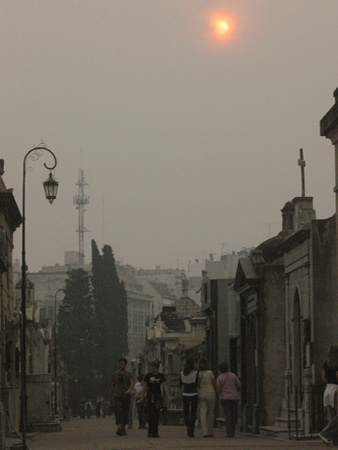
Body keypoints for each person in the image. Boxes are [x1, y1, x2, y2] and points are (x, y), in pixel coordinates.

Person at [140, 361, 171, 438]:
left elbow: (164, 386)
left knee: (156, 414)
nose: (150, 368)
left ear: (156, 367)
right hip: (150, 396)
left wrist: (168, 395)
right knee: (150, 414)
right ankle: (150, 432)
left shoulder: (161, 376)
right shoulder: (148, 375)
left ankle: (155, 432)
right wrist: (142, 396)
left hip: (157, 397)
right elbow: (145, 386)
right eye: (150, 366)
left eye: (152, 366)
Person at [318, 344, 338, 446]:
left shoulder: (326, 363)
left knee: (332, 415)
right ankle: (324, 433)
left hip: (328, 389)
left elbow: (324, 378)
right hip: (336, 389)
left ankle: (335, 440)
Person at [110, 357, 134, 436]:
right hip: (117, 395)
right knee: (119, 412)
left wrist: (130, 389)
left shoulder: (129, 374)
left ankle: (122, 428)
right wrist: (111, 397)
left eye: (122, 364)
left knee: (125, 412)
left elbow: (132, 382)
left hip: (126, 395)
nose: (121, 365)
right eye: (119, 364)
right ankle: (120, 428)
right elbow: (112, 385)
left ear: (125, 365)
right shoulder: (115, 374)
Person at [216, 361, 241, 437]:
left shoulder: (219, 378)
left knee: (227, 415)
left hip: (224, 398)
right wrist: (236, 390)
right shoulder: (233, 376)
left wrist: (222, 391)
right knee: (234, 414)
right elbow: (239, 385)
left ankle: (229, 432)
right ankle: (233, 430)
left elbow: (218, 390)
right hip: (234, 398)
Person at [180, 359, 199, 438]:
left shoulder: (182, 373)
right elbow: (197, 383)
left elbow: (180, 384)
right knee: (193, 412)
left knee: (186, 412)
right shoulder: (196, 372)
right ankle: (192, 428)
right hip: (194, 393)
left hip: (185, 394)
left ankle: (188, 426)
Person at [198, 359, 216, 438]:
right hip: (210, 393)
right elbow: (214, 383)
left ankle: (204, 432)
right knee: (211, 412)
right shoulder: (210, 372)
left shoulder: (197, 374)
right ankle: (210, 431)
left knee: (203, 413)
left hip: (201, 393)